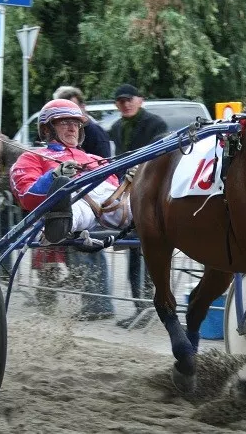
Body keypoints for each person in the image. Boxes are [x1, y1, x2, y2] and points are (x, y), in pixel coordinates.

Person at [10, 99, 129, 318]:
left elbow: (113, 189)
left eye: (76, 122)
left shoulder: (95, 159)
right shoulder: (32, 157)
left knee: (136, 197)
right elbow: (26, 196)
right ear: (48, 129)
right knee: (71, 198)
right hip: (73, 205)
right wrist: (54, 176)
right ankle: (64, 223)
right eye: (64, 122)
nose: (73, 127)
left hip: (108, 207)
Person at [52, 86, 114, 318]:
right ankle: (93, 303)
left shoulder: (94, 133)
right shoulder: (65, 142)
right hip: (78, 201)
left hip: (94, 201)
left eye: (74, 114)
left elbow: (106, 169)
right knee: (81, 250)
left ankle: (100, 305)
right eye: (64, 117)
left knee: (91, 250)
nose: (70, 124)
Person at [109, 84, 167, 329]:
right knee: (135, 253)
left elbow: (161, 153)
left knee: (152, 253)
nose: (125, 104)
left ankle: (159, 306)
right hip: (128, 194)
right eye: (121, 101)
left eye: (129, 99)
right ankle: (140, 307)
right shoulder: (115, 128)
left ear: (140, 100)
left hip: (152, 194)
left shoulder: (156, 124)